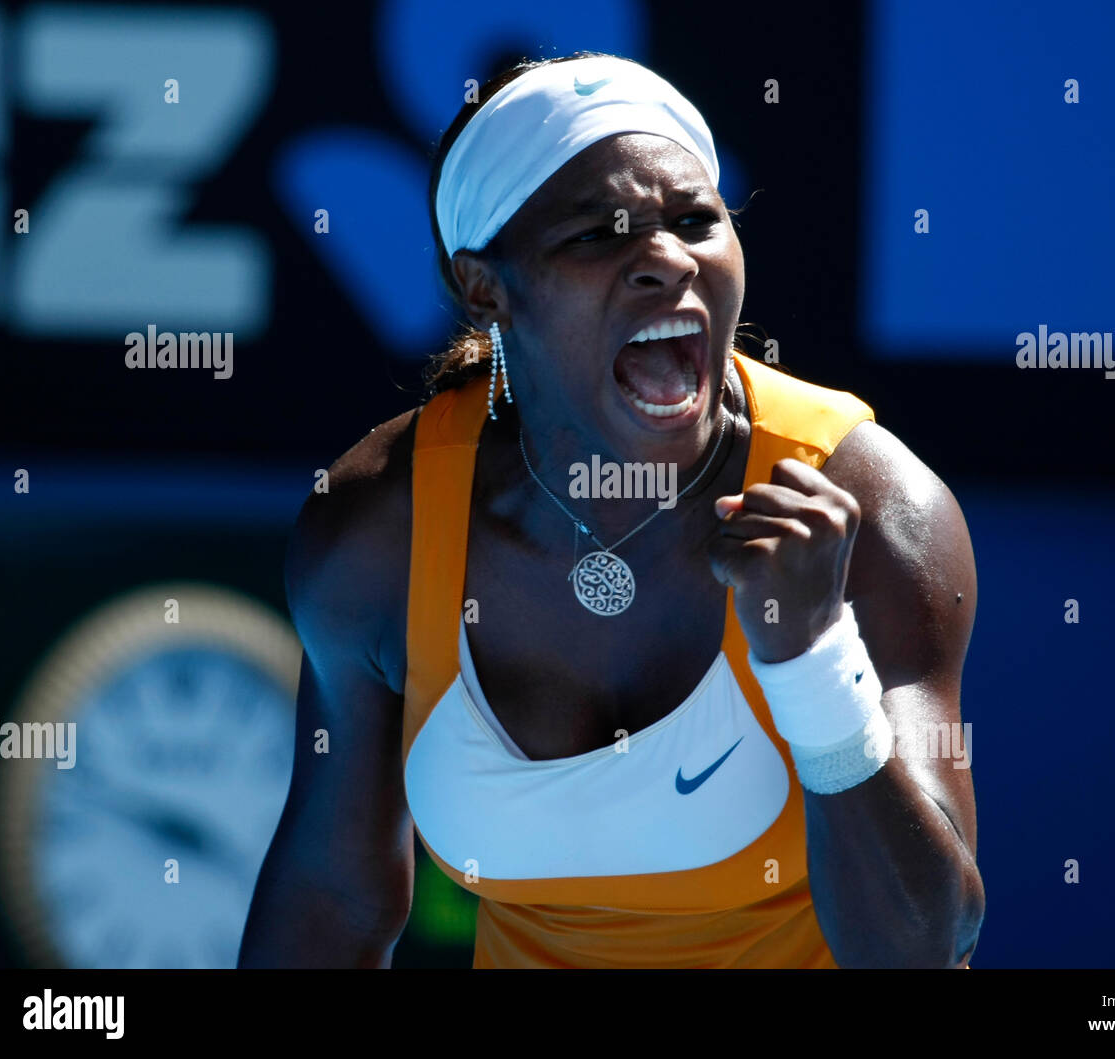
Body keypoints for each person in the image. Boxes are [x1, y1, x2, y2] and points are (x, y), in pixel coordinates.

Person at [239, 51, 984, 969]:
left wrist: (813, 659)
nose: (667, 259)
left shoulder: (872, 505)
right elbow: (332, 905)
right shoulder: (376, 530)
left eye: (696, 220)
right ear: (485, 287)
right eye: (598, 235)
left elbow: (925, 948)